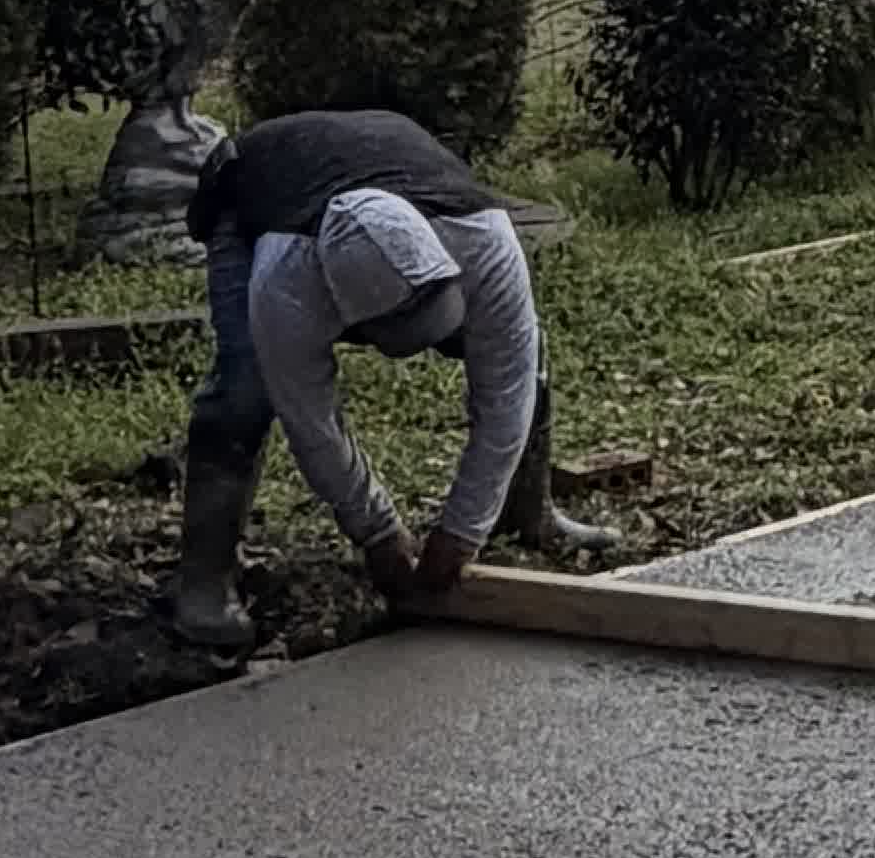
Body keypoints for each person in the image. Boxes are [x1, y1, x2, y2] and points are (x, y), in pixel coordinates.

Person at [165, 106, 618, 648]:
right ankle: (205, 582)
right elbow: (312, 424)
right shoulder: (283, 283)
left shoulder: (486, 241)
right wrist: (376, 530)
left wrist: (462, 531)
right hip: (256, 191)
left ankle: (528, 515)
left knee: (524, 350)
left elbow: (507, 388)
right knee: (245, 389)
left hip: (397, 168)